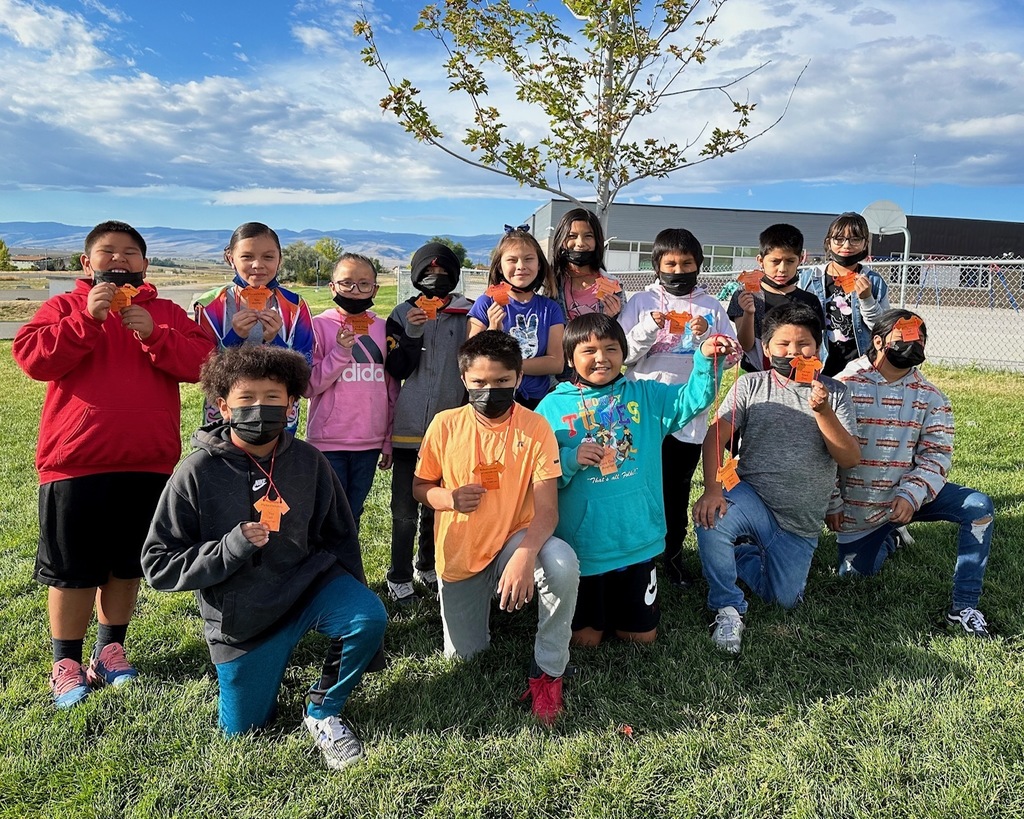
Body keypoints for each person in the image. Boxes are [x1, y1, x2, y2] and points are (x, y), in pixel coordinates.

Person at [142, 345, 387, 770]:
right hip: (245, 618)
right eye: (246, 399)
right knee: (245, 731)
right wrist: (229, 548)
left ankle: (322, 710)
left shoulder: (309, 461)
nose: (261, 408)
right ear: (222, 406)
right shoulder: (196, 471)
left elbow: (341, 537)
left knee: (367, 616)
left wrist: (365, 626)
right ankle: (262, 669)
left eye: (273, 398)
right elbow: (158, 564)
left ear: (292, 404)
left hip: (307, 587)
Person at [12, 220, 215, 708]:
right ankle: (66, 661)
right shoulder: (63, 307)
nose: (119, 260)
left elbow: (204, 365)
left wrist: (156, 336)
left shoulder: (164, 311)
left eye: (130, 252)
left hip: (147, 462)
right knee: (72, 570)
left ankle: (111, 650)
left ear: (145, 264)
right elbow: (32, 359)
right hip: (76, 461)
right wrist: (85, 320)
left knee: (127, 566)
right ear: (87, 263)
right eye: (107, 252)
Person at [536, 314, 738, 646]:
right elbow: (541, 476)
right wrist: (571, 460)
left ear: (624, 352)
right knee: (585, 640)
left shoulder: (645, 395)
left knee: (640, 638)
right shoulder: (550, 408)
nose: (601, 358)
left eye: (611, 348)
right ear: (570, 358)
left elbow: (692, 401)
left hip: (636, 538)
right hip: (585, 546)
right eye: (589, 351)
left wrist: (704, 359)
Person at [413, 331, 579, 725]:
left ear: (519, 378)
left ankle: (550, 670)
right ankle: (487, 597)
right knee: (466, 658)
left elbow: (547, 511)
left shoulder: (536, 427)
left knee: (561, 562)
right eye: (480, 383)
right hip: (460, 551)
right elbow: (420, 487)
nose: (491, 390)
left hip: (515, 538)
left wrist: (523, 557)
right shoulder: (444, 424)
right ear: (464, 381)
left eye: (503, 381)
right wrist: (448, 498)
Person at [693, 303, 860, 654]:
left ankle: (742, 557)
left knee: (783, 599)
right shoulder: (752, 385)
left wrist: (823, 412)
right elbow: (715, 435)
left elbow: (848, 457)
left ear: (819, 348)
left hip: (800, 523)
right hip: (752, 496)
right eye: (783, 344)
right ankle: (727, 606)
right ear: (767, 349)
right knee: (713, 519)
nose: (794, 352)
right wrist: (711, 489)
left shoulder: (836, 393)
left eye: (804, 344)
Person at [827, 309, 995, 637]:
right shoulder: (842, 386)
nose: (914, 344)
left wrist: (911, 493)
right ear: (878, 341)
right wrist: (833, 499)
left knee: (978, 507)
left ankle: (964, 606)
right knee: (855, 578)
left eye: (921, 338)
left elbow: (936, 458)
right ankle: (889, 538)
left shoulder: (933, 398)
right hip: (859, 511)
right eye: (905, 337)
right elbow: (824, 453)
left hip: (910, 498)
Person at [618, 227, 738, 588]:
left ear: (699, 266)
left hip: (689, 416)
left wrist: (705, 337)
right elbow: (622, 354)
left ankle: (671, 555)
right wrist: (646, 330)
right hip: (644, 413)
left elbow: (730, 358)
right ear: (657, 266)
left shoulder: (711, 306)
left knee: (676, 485)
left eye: (686, 263)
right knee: (638, 483)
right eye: (670, 263)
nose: (678, 269)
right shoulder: (640, 302)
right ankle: (637, 555)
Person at [384, 242, 472, 604]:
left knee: (438, 504)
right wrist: (413, 335)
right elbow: (397, 368)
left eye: (444, 272)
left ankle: (429, 566)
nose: (436, 279)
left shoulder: (468, 312)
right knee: (404, 509)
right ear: (416, 275)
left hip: (452, 428)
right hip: (410, 429)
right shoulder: (403, 313)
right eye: (427, 272)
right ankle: (399, 575)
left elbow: (476, 364)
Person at [305, 253, 398, 532]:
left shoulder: (384, 328)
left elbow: (392, 387)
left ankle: (347, 571)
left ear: (375, 289)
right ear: (332, 287)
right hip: (328, 440)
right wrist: (340, 353)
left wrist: (389, 438)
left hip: (369, 441)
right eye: (347, 284)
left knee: (353, 512)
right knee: (328, 514)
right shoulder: (318, 327)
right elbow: (310, 385)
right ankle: (323, 572)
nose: (355, 291)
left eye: (363, 284)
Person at [194, 221, 313, 432]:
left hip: (279, 413)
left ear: (280, 260)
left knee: (278, 463)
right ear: (231, 259)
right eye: (247, 257)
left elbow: (307, 366)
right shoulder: (209, 305)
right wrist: (234, 337)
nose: (258, 264)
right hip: (226, 412)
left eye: (268, 257)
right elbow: (200, 367)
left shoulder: (295, 305)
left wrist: (276, 341)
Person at [467, 227, 565, 409]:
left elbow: (556, 363)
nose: (521, 266)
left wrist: (508, 366)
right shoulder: (485, 303)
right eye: (512, 260)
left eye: (529, 259)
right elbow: (471, 360)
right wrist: (492, 332)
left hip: (537, 401)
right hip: (493, 398)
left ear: (539, 265)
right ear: (500, 266)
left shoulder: (550, 308)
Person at [799, 212, 890, 377]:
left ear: (865, 244)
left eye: (855, 239)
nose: (846, 245)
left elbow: (882, 329)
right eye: (839, 239)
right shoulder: (809, 278)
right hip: (818, 364)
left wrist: (867, 299)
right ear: (828, 242)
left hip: (859, 368)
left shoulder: (874, 281)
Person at [727, 223, 825, 372]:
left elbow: (815, 347)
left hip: (797, 375)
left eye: (790, 261)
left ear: (800, 259)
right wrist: (749, 313)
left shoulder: (810, 300)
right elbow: (745, 345)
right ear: (760, 261)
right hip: (755, 375)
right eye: (775, 261)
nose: (782, 269)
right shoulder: (746, 294)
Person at [549, 207, 623, 321]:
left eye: (588, 236)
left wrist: (611, 319)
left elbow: (624, 332)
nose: (580, 243)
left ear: (597, 241)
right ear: (561, 240)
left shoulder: (613, 286)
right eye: (572, 236)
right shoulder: (549, 285)